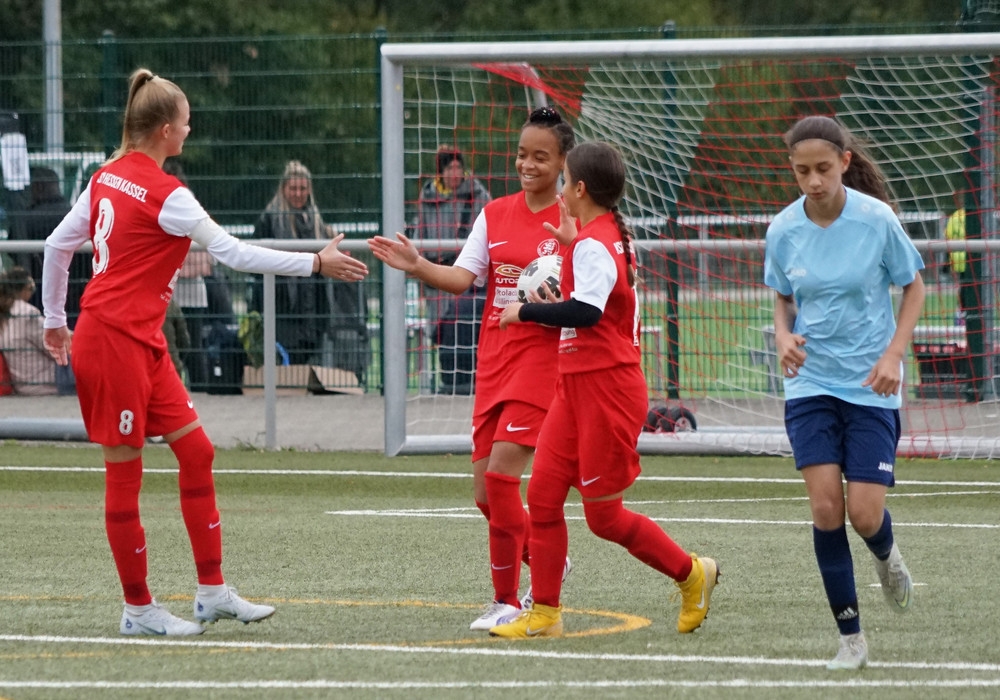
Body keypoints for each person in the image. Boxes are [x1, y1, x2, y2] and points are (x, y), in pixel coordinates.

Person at [41, 68, 368, 636]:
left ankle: (211, 593)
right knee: (125, 474)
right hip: (113, 341)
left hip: (140, 340)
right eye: (187, 123)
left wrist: (53, 320)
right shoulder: (168, 194)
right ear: (166, 130)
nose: (190, 131)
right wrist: (316, 262)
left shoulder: (105, 178)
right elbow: (235, 254)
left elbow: (55, 245)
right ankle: (138, 610)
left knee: (197, 453)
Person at [489, 142, 719, 639]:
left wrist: (524, 311)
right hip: (575, 387)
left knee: (604, 518)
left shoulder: (595, 243)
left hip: (607, 391)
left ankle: (692, 573)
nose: (558, 189)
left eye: (563, 180)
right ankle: (545, 613)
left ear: (579, 188)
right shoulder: (596, 236)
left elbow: (587, 312)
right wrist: (572, 244)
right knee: (543, 498)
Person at [369, 107, 576, 631]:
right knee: (485, 494)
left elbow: (594, 291)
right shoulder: (494, 214)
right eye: (522, 154)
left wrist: (567, 267)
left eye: (540, 156)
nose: (527, 164)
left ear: (563, 162)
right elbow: (463, 279)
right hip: (495, 362)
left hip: (542, 363)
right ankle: (545, 559)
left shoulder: (574, 220)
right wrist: (417, 265)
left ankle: (507, 601)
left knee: (503, 479)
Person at [762, 115, 925, 670]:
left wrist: (893, 355)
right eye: (802, 171)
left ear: (845, 163)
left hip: (871, 384)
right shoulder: (783, 229)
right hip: (810, 383)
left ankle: (887, 554)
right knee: (827, 507)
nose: (813, 181)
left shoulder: (876, 220)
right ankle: (851, 639)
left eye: (823, 169)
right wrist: (783, 334)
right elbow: (782, 296)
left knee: (864, 513)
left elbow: (914, 287)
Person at [252, 160, 369, 380]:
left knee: (309, 356)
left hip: (313, 304)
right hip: (281, 305)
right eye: (293, 188)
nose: (298, 193)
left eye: (303, 188)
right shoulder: (269, 220)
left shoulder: (316, 221)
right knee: (285, 361)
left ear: (309, 190)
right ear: (283, 189)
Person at [415, 145, 492, 327]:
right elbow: (421, 231)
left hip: (469, 277)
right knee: (440, 328)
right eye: (450, 168)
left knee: (467, 327)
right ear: (441, 172)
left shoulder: (478, 195)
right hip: (437, 277)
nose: (455, 173)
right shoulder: (428, 197)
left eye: (458, 167)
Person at [0, 266, 73, 395]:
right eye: (31, 289)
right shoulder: (27, 313)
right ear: (23, 289)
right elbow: (52, 346)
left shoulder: (4, 315)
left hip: (21, 384)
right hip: (48, 380)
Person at [9, 167, 71, 309]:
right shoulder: (73, 214)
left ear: (38, 187)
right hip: (74, 291)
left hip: (39, 292)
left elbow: (14, 252)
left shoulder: (27, 220)